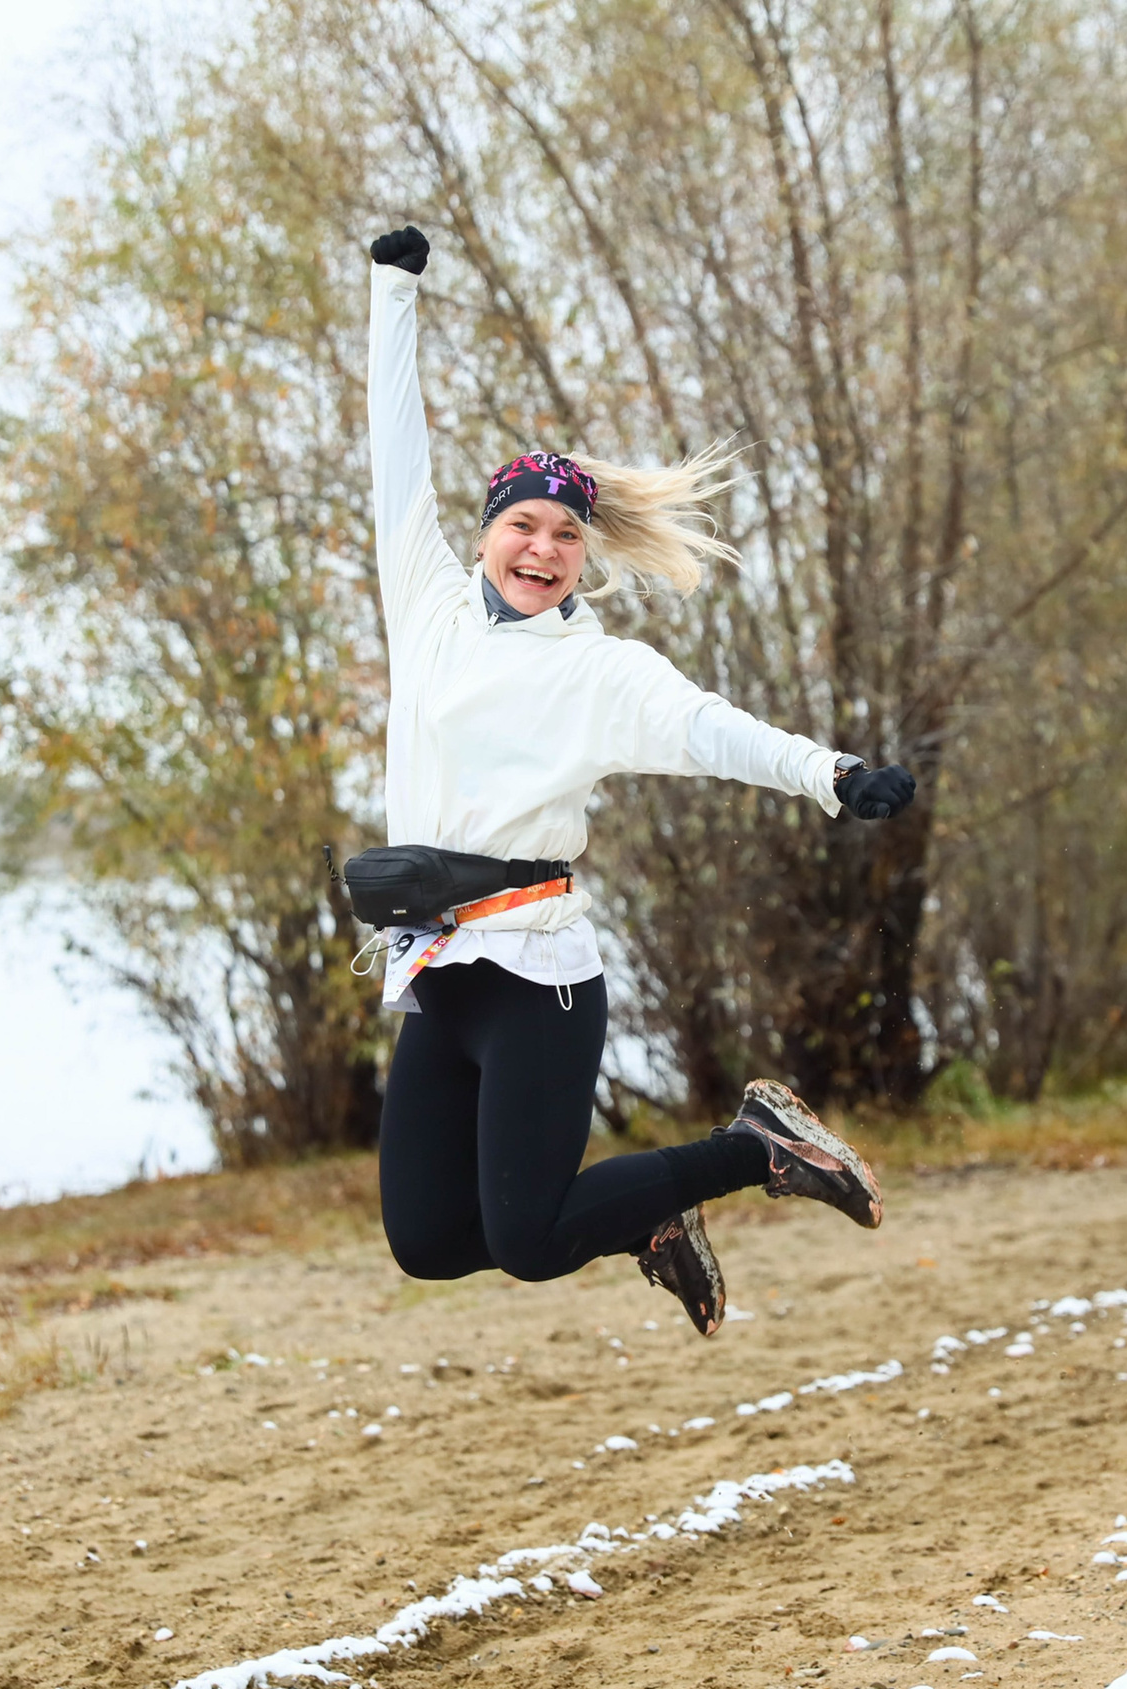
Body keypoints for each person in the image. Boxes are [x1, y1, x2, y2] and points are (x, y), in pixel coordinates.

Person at [362, 224, 917, 1335]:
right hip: (438, 967)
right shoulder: (424, 605)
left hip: (534, 977)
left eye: (565, 535)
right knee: (427, 1241)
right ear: (485, 533)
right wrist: (392, 293)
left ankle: (753, 1146)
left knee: (529, 1240)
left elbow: (713, 731)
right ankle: (649, 1219)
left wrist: (832, 773)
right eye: (522, 525)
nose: (541, 549)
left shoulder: (601, 670)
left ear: (585, 553)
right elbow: (394, 447)